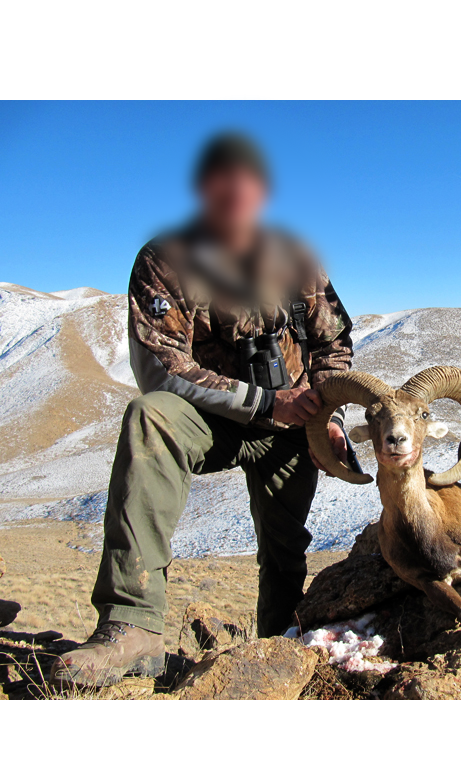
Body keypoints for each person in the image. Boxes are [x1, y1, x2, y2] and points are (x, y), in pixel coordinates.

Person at [52, 133, 353, 687]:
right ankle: (133, 626)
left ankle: (276, 651)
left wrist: (328, 418)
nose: (236, 192)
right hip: (214, 417)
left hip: (289, 421)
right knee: (151, 417)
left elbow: (333, 347)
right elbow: (161, 368)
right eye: (223, 180)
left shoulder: (295, 259)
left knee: (284, 550)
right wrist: (265, 401)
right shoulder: (165, 259)